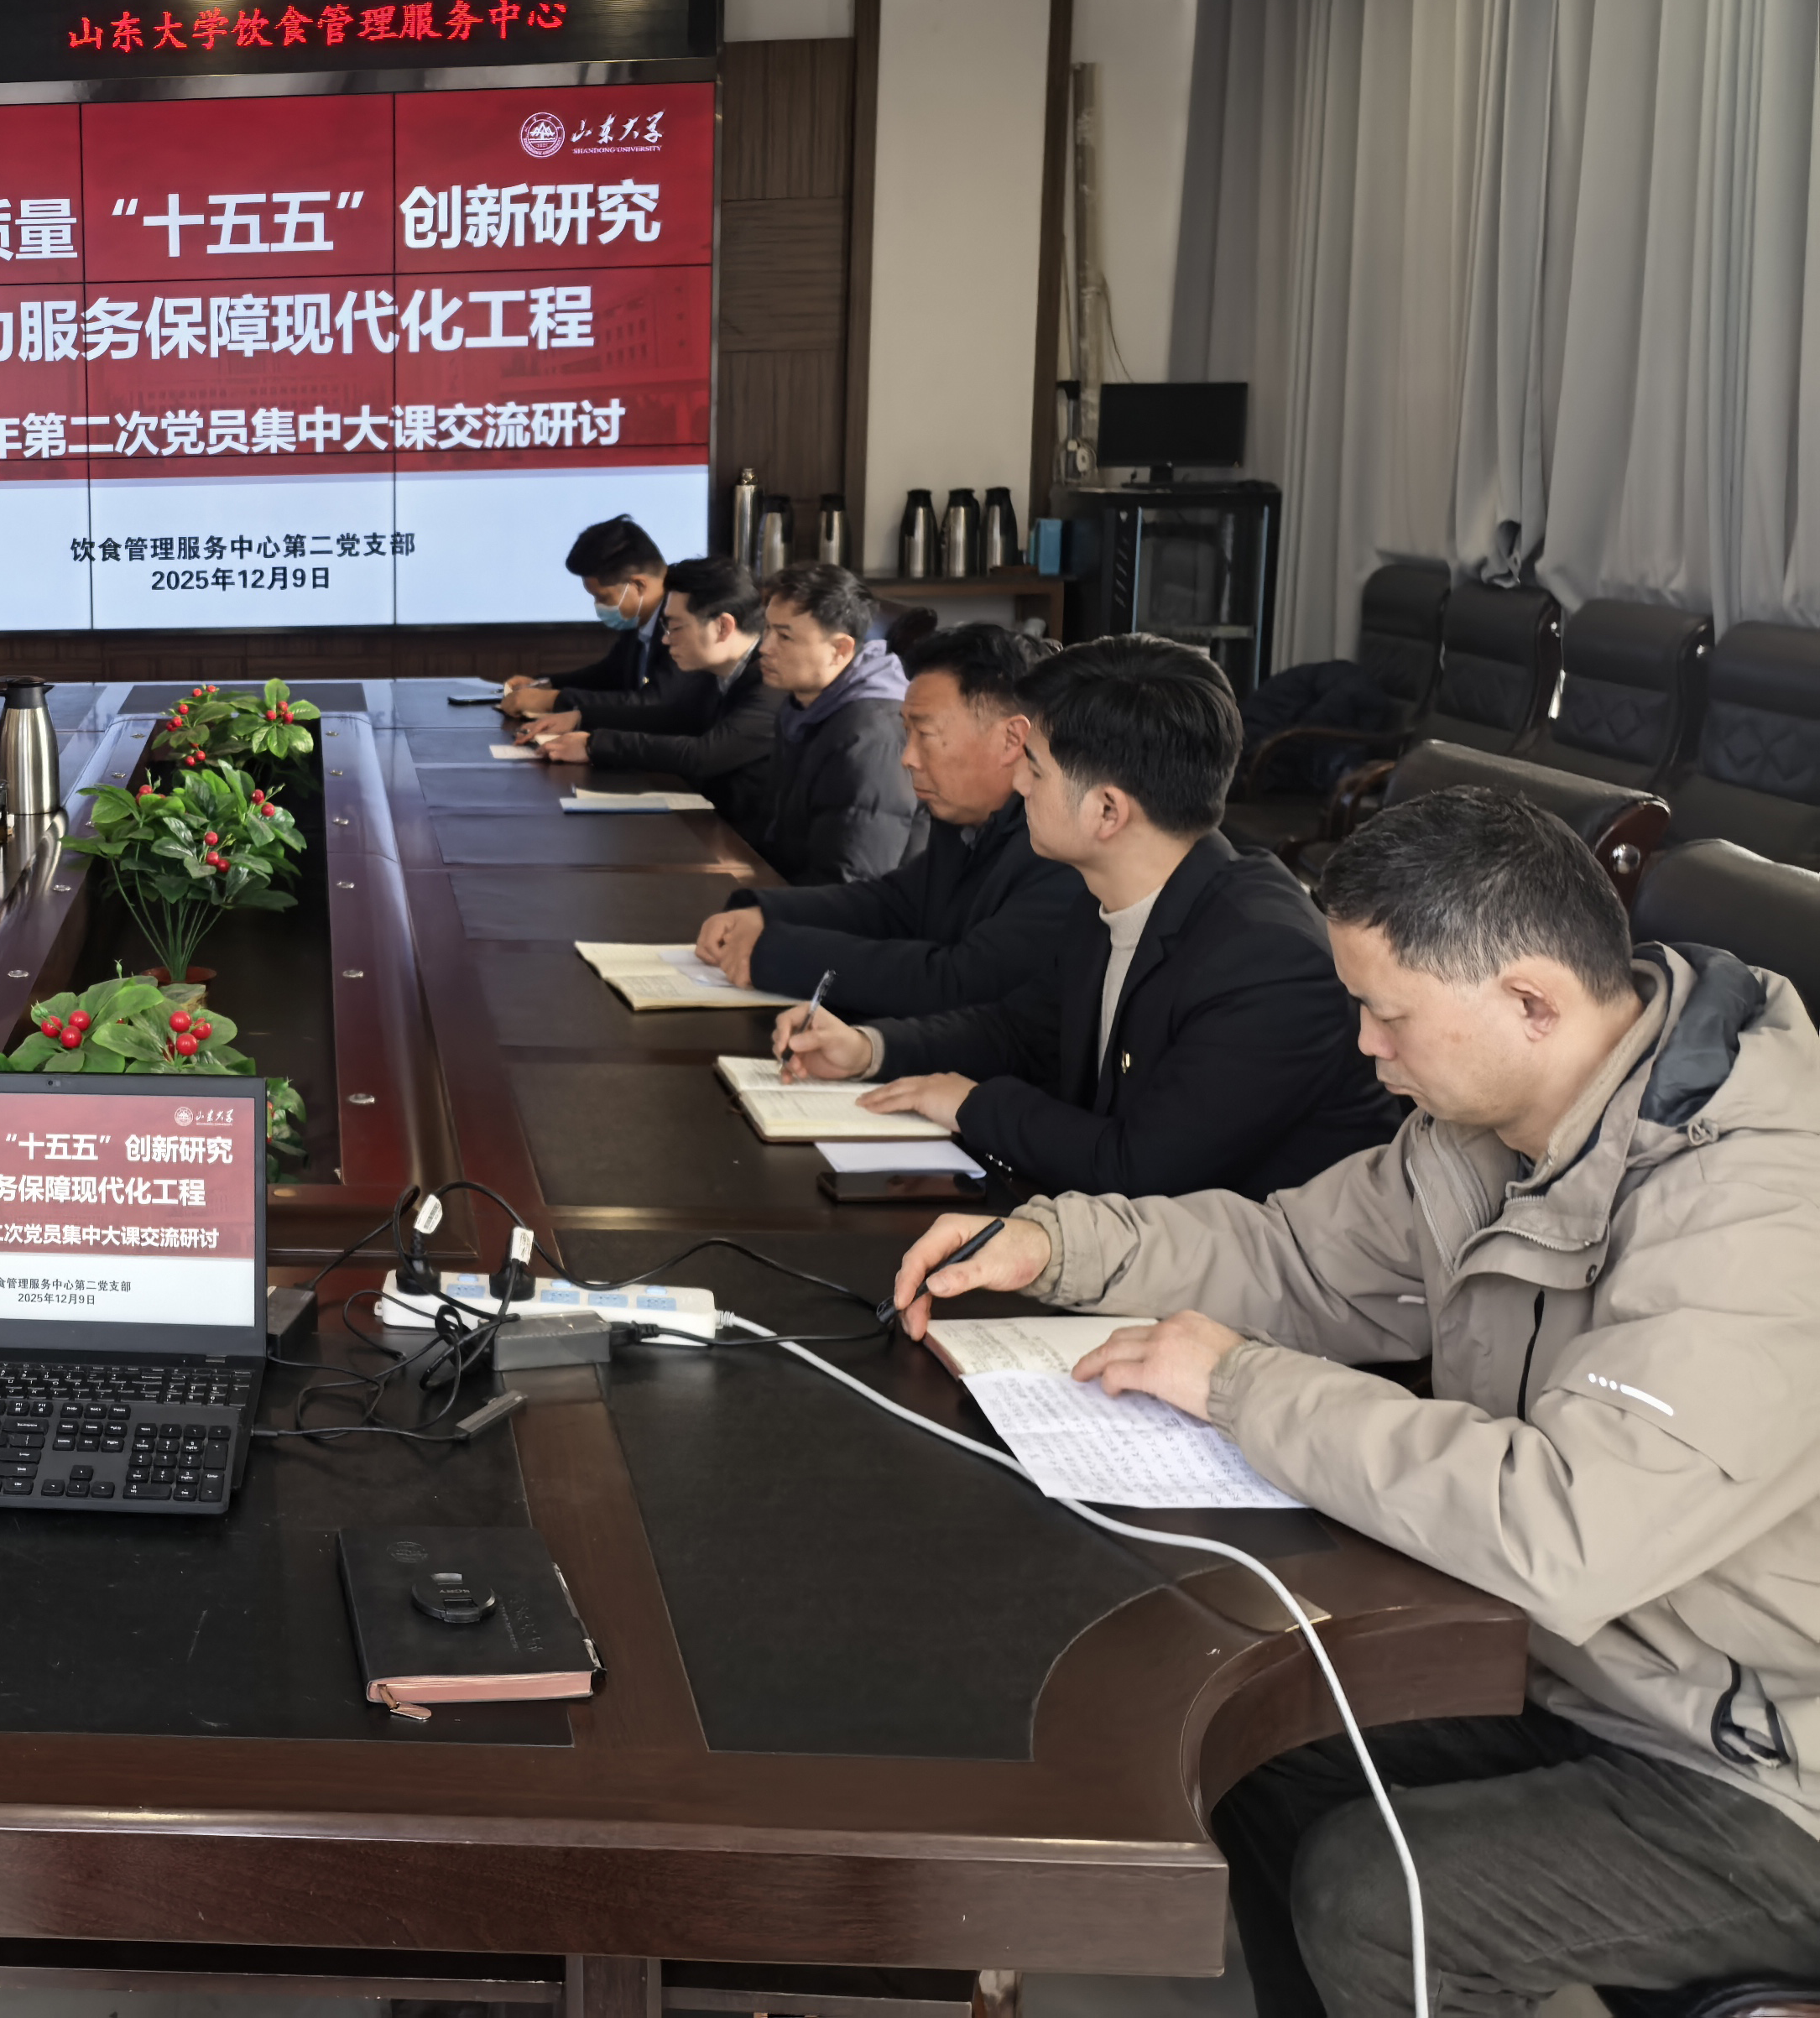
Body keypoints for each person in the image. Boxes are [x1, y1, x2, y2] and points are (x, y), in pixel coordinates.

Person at [889, 787, 1820, 2018]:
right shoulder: (1488, 1123)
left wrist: (1240, 1382)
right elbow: (1296, 1259)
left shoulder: (1760, 1208)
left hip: (1768, 1763)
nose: (1366, 1048)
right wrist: (1058, 1246)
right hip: (1594, 1676)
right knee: (1255, 1758)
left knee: (1378, 1900)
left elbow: (1569, 1528)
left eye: (1388, 1013)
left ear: (1531, 1001)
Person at [777, 634, 1396, 1199]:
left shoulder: (1270, 963)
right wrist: (871, 1048)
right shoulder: (1110, 894)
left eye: (1035, 766)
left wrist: (971, 1103)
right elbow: (1023, 1031)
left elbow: (1139, 1169)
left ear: (1107, 812)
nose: (1019, 782)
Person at [691, 623, 1087, 1016]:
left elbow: (959, 983)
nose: (908, 758)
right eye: (907, 733)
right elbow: (895, 903)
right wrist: (764, 912)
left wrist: (776, 953)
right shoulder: (969, 817)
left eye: (925, 734)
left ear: (1012, 739)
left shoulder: (1060, 847)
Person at [521, 555, 783, 824]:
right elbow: (669, 714)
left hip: (746, 838)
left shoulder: (771, 683)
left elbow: (705, 754)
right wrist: (582, 717)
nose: (666, 640)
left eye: (676, 627)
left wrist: (594, 745)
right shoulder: (713, 671)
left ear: (723, 627)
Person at [743, 561, 924, 884]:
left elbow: (851, 880)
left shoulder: (870, 736)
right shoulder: (801, 705)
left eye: (784, 636)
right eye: (767, 629)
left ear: (840, 649)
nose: (764, 648)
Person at [500, 513, 676, 717]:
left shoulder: (685, 620)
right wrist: (546, 685)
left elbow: (658, 702)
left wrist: (555, 700)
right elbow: (609, 675)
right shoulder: (639, 618)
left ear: (638, 585)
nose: (598, 606)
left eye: (602, 597)